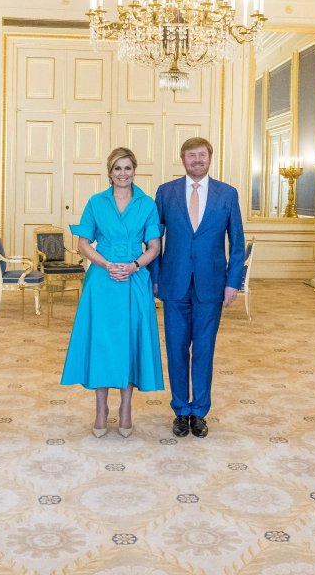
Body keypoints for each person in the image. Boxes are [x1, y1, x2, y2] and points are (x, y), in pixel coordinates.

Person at [61, 147, 163, 436]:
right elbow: (83, 244)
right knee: (102, 345)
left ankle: (126, 408)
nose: (122, 173)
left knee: (130, 343)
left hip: (134, 279)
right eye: (117, 168)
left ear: (134, 171)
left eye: (127, 168)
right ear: (109, 172)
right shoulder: (96, 202)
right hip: (102, 281)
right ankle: (101, 408)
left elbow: (155, 247)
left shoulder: (147, 204)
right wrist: (107, 265)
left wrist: (132, 265)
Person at [151, 137, 245, 438]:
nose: (197, 161)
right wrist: (155, 276)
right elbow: (153, 239)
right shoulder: (165, 193)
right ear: (182, 160)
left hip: (212, 286)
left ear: (210, 158)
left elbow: (238, 243)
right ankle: (180, 410)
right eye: (191, 156)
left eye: (201, 155)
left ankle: (199, 411)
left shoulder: (227, 194)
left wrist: (233, 283)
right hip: (173, 282)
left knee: (204, 349)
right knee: (177, 349)